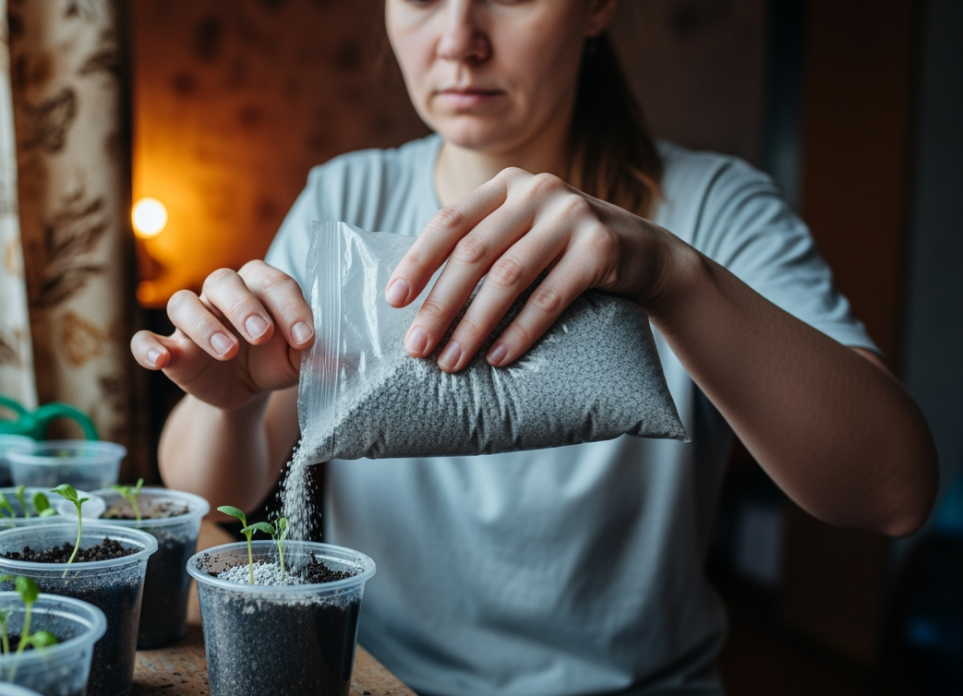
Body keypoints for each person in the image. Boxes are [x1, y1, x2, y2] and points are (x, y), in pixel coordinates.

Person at [131, 0, 939, 693]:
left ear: (596, 6)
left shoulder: (714, 209)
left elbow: (893, 491)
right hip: (378, 676)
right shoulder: (347, 199)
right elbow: (209, 487)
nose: (458, 39)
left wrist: (671, 276)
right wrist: (233, 404)